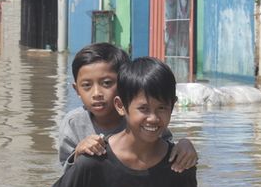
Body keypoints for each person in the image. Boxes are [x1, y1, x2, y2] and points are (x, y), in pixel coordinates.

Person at [44, 56, 201, 187]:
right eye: (143, 108)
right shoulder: (93, 161)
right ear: (120, 106)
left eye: (162, 108)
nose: (153, 118)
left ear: (173, 106)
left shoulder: (179, 166)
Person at [57, 42, 197, 173]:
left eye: (106, 83)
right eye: (87, 85)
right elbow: (65, 177)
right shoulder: (73, 123)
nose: (97, 94)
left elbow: (165, 149)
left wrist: (184, 145)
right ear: (77, 90)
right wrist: (78, 155)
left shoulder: (143, 118)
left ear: (126, 83)